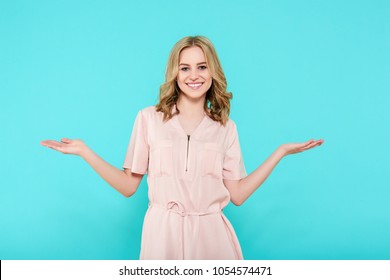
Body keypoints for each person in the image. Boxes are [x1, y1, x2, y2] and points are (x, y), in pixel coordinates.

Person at [41, 35, 324, 260]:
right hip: (161, 235)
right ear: (175, 73)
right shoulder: (148, 119)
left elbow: (237, 194)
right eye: (185, 67)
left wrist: (280, 153)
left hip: (212, 239)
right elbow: (129, 186)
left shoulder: (226, 128)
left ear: (213, 72)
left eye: (202, 67)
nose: (194, 75)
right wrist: (85, 152)